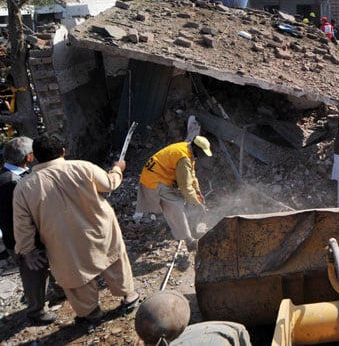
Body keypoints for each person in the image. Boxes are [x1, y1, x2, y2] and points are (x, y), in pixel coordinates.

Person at [13, 134, 139, 322]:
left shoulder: (23, 187)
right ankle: (129, 297)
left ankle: (91, 312)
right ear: (63, 151)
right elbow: (109, 184)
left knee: (76, 276)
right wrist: (117, 169)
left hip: (62, 240)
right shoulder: (82, 167)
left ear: (35, 156)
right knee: (113, 260)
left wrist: (27, 250)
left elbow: (22, 224)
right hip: (99, 228)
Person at [0, 137, 56, 324]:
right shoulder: (10, 183)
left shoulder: (15, 176)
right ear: (29, 157)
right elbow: (9, 221)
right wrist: (26, 248)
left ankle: (60, 291)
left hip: (31, 237)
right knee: (34, 274)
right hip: (23, 242)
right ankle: (36, 311)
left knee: (48, 267)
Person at [137, 136, 212, 252]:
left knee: (182, 200)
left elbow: (191, 176)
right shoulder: (184, 158)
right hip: (154, 180)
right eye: (202, 153)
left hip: (157, 176)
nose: (202, 156)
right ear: (197, 148)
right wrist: (197, 204)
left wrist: (198, 193)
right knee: (175, 206)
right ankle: (189, 240)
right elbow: (185, 187)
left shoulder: (186, 149)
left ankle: (179, 225)